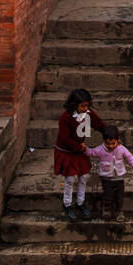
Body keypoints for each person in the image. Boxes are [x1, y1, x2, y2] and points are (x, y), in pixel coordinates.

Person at [54, 88, 106, 222]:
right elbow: (65, 138)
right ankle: (67, 204)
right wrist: (79, 147)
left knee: (83, 177)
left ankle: (80, 202)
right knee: (70, 179)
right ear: (74, 105)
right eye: (82, 106)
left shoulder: (88, 114)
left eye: (87, 105)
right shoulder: (65, 118)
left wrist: (111, 135)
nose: (85, 108)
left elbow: (99, 124)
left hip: (80, 151)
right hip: (68, 151)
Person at [85, 125, 133, 222]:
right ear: (104, 141)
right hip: (106, 179)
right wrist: (84, 149)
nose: (111, 146)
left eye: (113, 143)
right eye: (108, 144)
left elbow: (130, 157)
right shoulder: (100, 150)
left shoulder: (121, 149)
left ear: (118, 140)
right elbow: (91, 153)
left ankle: (119, 212)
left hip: (119, 179)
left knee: (119, 197)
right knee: (108, 196)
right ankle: (106, 210)